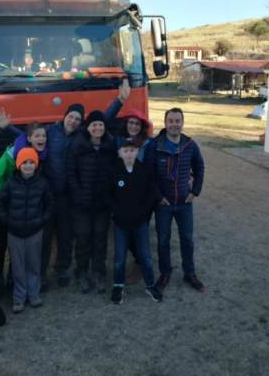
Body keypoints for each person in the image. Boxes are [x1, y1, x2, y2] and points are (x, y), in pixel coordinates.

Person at [0, 79, 131, 289]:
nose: (74, 121)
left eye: (78, 119)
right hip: (48, 193)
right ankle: (40, 275)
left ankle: (62, 269)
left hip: (68, 195)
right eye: (71, 117)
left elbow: (101, 121)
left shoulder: (81, 136)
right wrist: (7, 127)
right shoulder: (50, 132)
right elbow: (29, 137)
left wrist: (120, 100)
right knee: (45, 237)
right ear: (64, 116)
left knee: (66, 235)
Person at [0, 121, 48, 294]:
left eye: (44, 136)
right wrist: (6, 201)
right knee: (0, 244)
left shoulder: (41, 153)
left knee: (14, 245)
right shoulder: (12, 153)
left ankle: (11, 281)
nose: (41, 139)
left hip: (14, 203)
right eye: (37, 136)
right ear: (29, 138)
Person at [145, 108, 205, 293]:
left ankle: (189, 272)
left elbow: (200, 167)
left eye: (177, 121)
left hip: (184, 203)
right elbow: (148, 175)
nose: (174, 124)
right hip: (163, 204)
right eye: (170, 121)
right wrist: (158, 196)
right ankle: (165, 273)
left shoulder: (190, 145)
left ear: (182, 123)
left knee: (187, 239)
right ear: (165, 123)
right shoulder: (154, 145)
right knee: (163, 240)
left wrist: (195, 191)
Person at [66, 110, 116, 294]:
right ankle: (81, 272)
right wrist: (78, 195)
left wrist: (109, 196)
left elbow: (114, 173)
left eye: (100, 125)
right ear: (88, 127)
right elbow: (71, 173)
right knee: (83, 239)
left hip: (102, 204)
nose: (97, 128)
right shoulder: (78, 146)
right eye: (94, 124)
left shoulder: (109, 146)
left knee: (100, 239)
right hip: (82, 204)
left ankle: (98, 272)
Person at [0, 148, 52, 313]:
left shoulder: (42, 184)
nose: (28, 166)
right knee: (18, 266)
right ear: (18, 165)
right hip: (15, 232)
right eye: (25, 162)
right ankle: (19, 297)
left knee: (34, 264)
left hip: (35, 231)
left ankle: (34, 294)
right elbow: (1, 204)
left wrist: (41, 220)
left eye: (31, 162)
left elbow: (50, 205)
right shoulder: (10, 183)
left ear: (36, 165)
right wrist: (8, 221)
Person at [107, 138, 161, 304]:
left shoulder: (144, 170)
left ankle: (150, 285)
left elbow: (152, 194)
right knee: (119, 258)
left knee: (145, 256)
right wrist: (117, 213)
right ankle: (118, 286)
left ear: (137, 152)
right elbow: (108, 196)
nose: (129, 154)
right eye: (126, 151)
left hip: (140, 222)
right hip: (121, 223)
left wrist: (143, 213)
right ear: (120, 153)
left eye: (132, 150)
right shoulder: (114, 171)